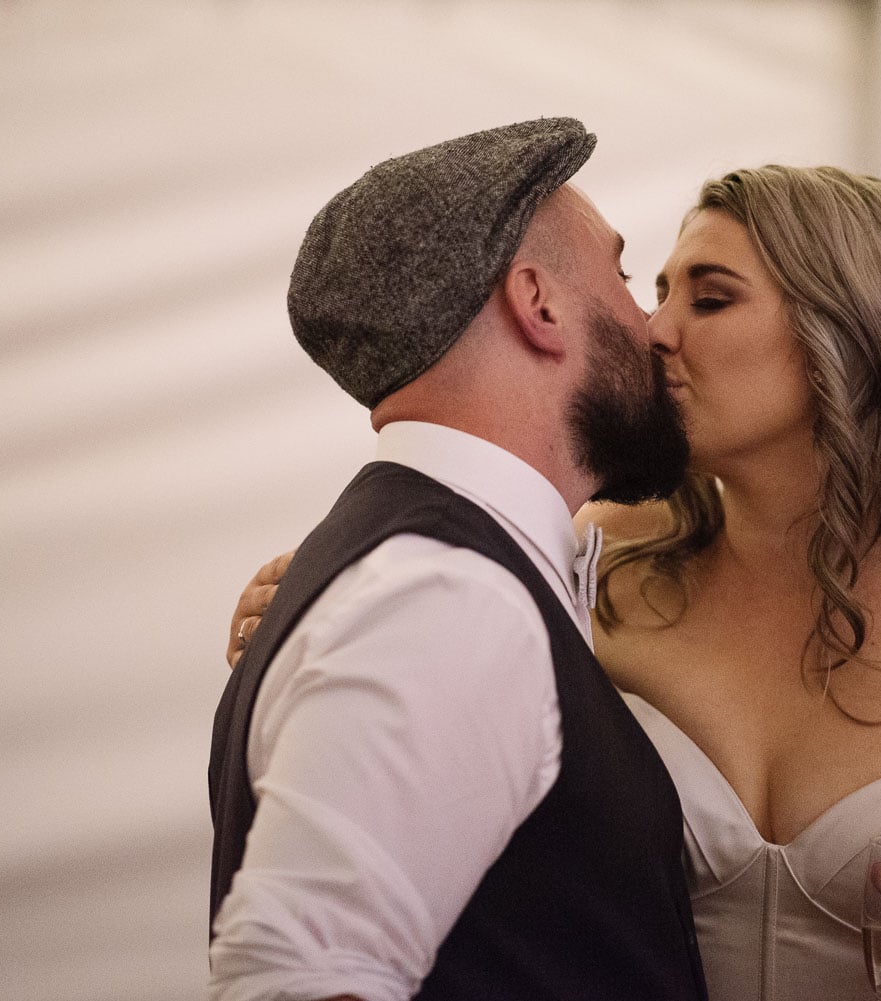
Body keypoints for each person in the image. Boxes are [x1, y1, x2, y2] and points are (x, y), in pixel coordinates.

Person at [230, 164, 881, 1001]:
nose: (656, 331)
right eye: (658, 290)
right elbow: (428, 655)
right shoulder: (591, 563)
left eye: (708, 297)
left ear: (851, 329)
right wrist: (319, 606)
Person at [208, 118, 707, 1001]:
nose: (652, 325)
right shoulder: (450, 593)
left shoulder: (441, 563)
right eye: (626, 277)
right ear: (538, 303)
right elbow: (299, 977)